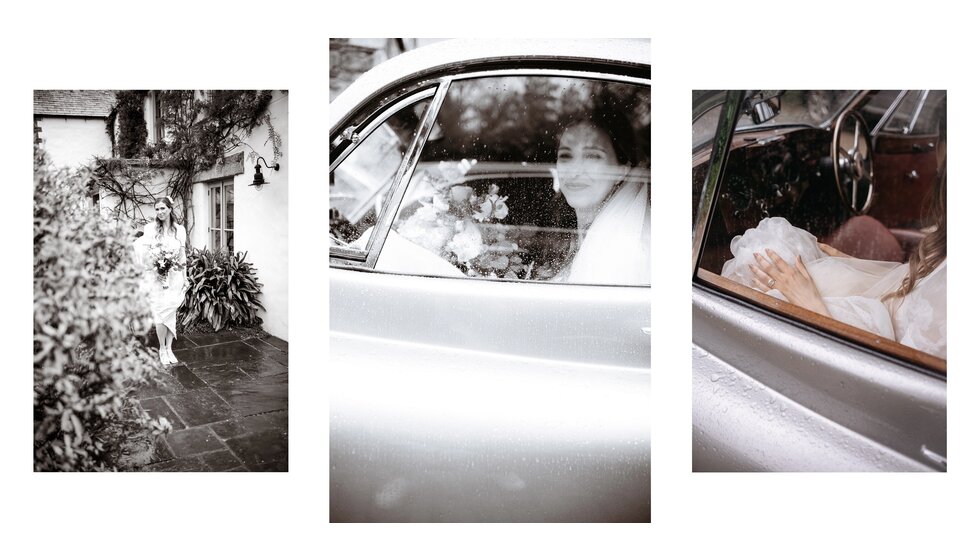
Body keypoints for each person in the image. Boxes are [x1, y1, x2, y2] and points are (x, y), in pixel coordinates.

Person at [723, 171, 946, 359]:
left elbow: (891, 377)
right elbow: (918, 287)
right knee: (775, 252)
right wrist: (854, 264)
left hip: (857, 340)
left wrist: (811, 306)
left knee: (758, 269)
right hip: (878, 306)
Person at [550, 106, 651, 285]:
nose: (574, 172)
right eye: (565, 156)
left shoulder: (628, 253)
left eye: (592, 156)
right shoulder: (567, 233)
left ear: (622, 170)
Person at [134, 196, 188, 365]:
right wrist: (154, 269)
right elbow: (145, 253)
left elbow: (182, 256)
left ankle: (169, 348)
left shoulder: (180, 230)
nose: (160, 212)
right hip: (156, 278)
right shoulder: (150, 229)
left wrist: (185, 278)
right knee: (159, 315)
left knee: (171, 313)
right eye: (157, 209)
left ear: (170, 209)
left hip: (174, 277)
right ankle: (162, 349)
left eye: (163, 208)